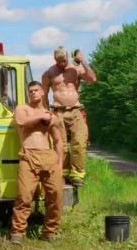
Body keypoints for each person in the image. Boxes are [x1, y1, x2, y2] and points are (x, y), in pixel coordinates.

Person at [10, 81, 63, 245]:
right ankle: (18, 233)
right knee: (24, 196)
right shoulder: (22, 109)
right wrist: (42, 117)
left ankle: (50, 232)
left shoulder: (50, 115)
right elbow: (21, 122)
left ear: (42, 93)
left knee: (55, 196)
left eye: (36, 90)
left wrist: (60, 162)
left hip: (49, 157)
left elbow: (58, 139)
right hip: (29, 155)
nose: (33, 93)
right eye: (30, 91)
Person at [41, 46, 97, 187]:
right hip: (58, 111)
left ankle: (77, 175)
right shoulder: (49, 73)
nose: (63, 64)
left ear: (67, 57)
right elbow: (44, 94)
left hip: (76, 110)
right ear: (55, 59)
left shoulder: (76, 69)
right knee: (61, 146)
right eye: (60, 61)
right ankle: (63, 174)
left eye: (64, 60)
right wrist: (46, 112)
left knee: (79, 142)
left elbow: (92, 79)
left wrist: (83, 61)